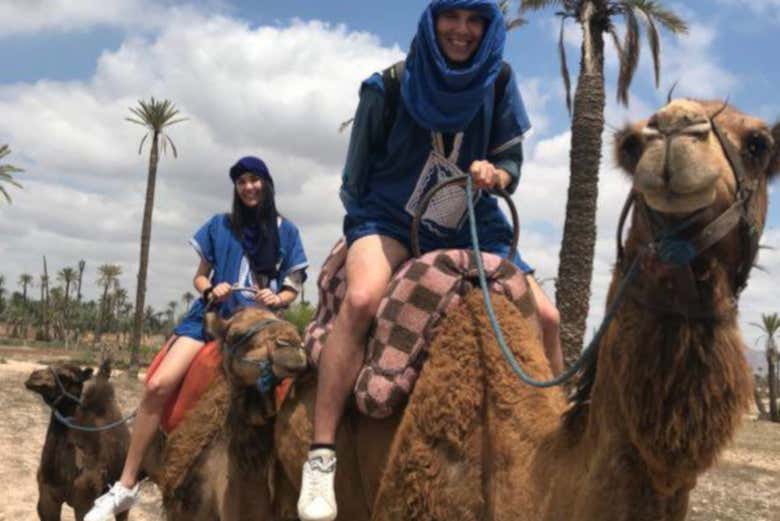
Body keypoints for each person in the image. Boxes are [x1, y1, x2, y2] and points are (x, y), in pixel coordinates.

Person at [296, 2, 564, 520]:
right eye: (452, 16)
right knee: (362, 299)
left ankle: (560, 446)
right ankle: (322, 455)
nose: (462, 31)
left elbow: (512, 160)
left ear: (487, 28)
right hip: (390, 218)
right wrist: (394, 236)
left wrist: (498, 177)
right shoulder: (389, 86)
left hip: (472, 220)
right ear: (432, 19)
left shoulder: (498, 81)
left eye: (475, 20)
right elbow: (354, 182)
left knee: (549, 319)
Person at [85, 156, 308, 521]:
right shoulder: (220, 225)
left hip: (260, 324)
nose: (249, 187)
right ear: (236, 189)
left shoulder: (287, 230)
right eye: (242, 182)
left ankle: (302, 484)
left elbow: (293, 284)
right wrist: (211, 288)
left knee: (297, 388)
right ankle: (126, 485)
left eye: (254, 180)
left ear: (266, 183)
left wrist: (278, 298)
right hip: (213, 319)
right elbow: (199, 276)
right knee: (158, 384)